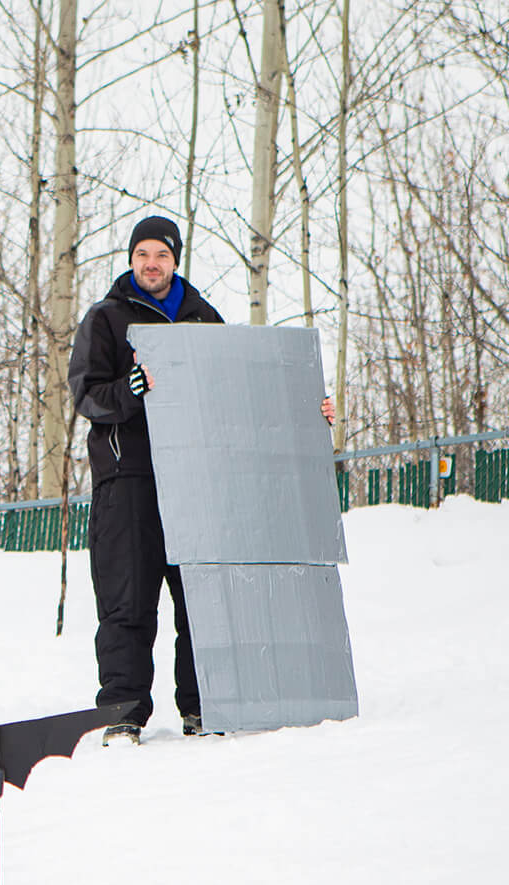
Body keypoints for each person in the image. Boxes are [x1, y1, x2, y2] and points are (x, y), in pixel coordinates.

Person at [68, 213, 332, 745]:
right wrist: (131, 389)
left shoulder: (204, 319)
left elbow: (240, 394)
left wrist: (306, 411)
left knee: (203, 598)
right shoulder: (107, 319)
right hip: (131, 482)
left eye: (161, 254)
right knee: (127, 601)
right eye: (143, 254)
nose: (151, 263)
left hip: (199, 480)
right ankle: (122, 714)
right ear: (131, 259)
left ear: (175, 260)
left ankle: (203, 706)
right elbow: (87, 394)